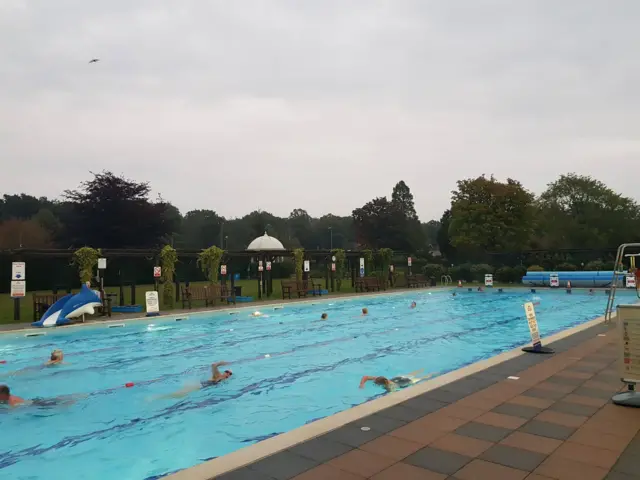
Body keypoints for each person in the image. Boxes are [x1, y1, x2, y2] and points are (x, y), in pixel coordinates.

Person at [158, 361, 233, 399]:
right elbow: (213, 365)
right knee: (177, 395)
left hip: (199, 387)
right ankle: (158, 397)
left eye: (230, 374)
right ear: (224, 372)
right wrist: (220, 363)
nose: (228, 373)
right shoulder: (218, 375)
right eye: (227, 371)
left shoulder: (223, 381)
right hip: (198, 386)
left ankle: (160, 397)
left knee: (178, 395)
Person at [359, 370, 433, 393]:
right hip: (399, 378)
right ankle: (422, 369)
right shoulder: (383, 379)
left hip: (403, 382)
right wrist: (362, 384)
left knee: (422, 378)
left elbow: (393, 392)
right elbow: (366, 377)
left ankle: (433, 374)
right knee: (412, 374)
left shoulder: (388, 386)